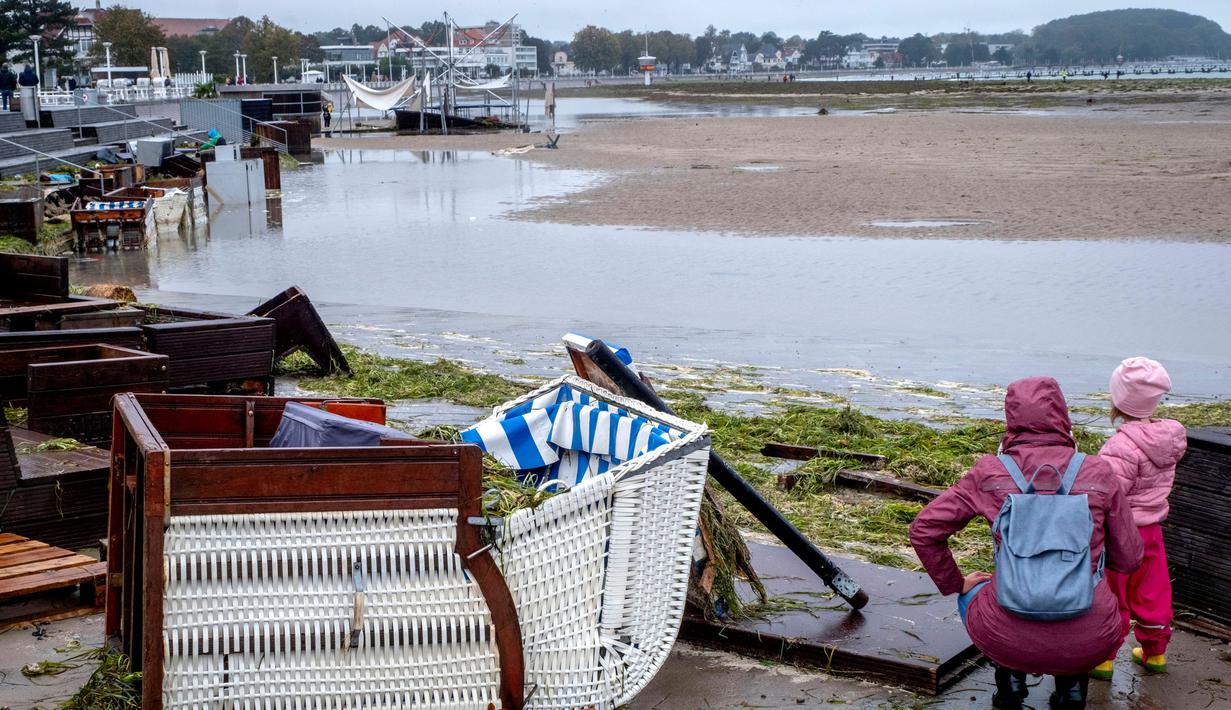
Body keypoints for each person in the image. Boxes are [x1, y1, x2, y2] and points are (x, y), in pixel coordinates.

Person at [910, 377, 1143, 710]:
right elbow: (1130, 559)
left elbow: (924, 529)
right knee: (1094, 592)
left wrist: (955, 583)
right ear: (1063, 416)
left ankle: (1009, 686)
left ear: (1011, 418)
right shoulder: (1099, 472)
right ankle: (1071, 692)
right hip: (1090, 637)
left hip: (1005, 635)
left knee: (977, 592)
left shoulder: (989, 472)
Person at [1089, 358, 1185, 682]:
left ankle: (1104, 658)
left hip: (1121, 533)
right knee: (1153, 590)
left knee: (1113, 594)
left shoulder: (1120, 446)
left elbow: (1107, 495)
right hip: (1152, 531)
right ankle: (1155, 652)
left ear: (1118, 400)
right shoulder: (1168, 440)